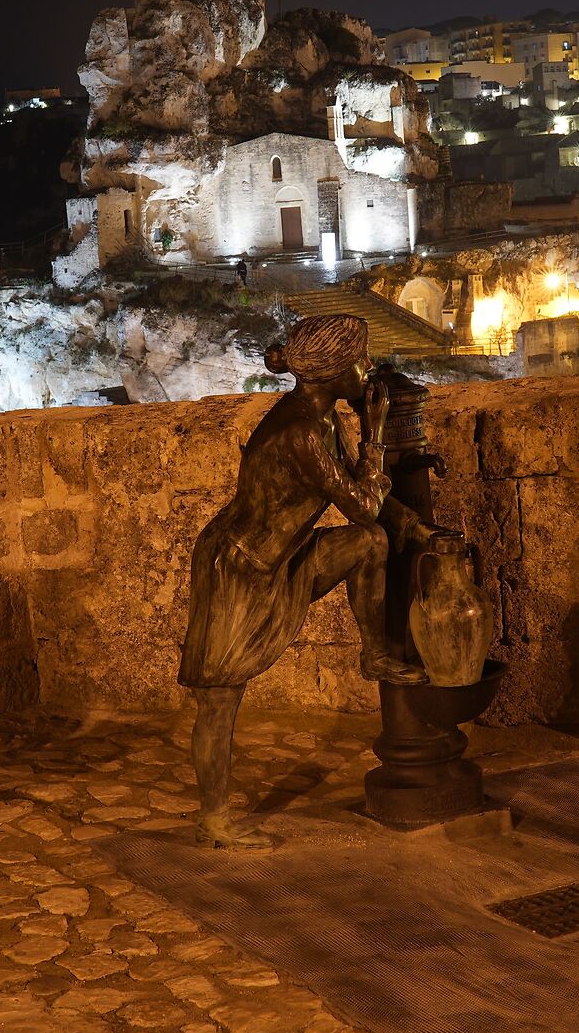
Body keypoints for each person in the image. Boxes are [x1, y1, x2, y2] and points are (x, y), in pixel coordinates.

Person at [179, 314, 427, 849]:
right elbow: (362, 503)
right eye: (359, 360)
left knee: (372, 545)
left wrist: (409, 523)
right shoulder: (300, 432)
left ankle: (375, 652)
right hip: (240, 569)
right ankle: (214, 818)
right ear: (333, 370)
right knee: (220, 701)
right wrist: (378, 432)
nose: (367, 370)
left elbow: (363, 509)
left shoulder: (321, 421)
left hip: (284, 558)